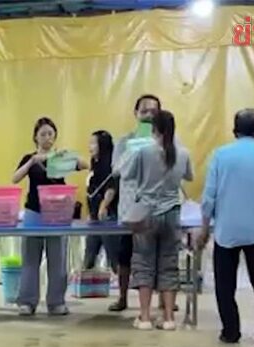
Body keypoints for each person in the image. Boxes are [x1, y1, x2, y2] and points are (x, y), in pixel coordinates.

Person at [197, 108, 254, 344]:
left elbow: (209, 196)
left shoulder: (221, 155)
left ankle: (231, 331)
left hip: (227, 230)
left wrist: (204, 228)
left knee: (225, 285)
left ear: (234, 129)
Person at [124, 109, 193, 331]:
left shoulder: (143, 151)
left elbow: (126, 174)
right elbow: (189, 176)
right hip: (172, 213)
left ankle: (144, 317)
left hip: (146, 214)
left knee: (144, 264)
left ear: (153, 128)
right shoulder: (183, 153)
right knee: (169, 264)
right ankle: (169, 319)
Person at [11, 117, 85, 316]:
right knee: (30, 258)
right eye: (42, 134)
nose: (47, 138)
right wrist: (31, 162)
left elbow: (84, 164)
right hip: (34, 212)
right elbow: (15, 178)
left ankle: (56, 302)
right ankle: (27, 301)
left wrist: (71, 157)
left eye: (50, 134)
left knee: (57, 259)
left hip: (57, 213)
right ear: (35, 137)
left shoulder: (60, 157)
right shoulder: (30, 157)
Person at [105, 94, 162, 312]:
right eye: (144, 111)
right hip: (130, 208)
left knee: (155, 256)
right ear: (136, 114)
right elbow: (117, 170)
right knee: (125, 255)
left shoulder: (167, 140)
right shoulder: (124, 141)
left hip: (157, 207)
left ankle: (159, 302)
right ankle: (122, 297)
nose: (149, 115)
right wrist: (136, 149)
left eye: (153, 111)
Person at [82, 131, 129, 306]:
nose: (90, 147)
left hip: (107, 216)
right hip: (94, 218)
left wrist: (103, 205)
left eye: (93, 143)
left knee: (114, 257)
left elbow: (111, 188)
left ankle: (122, 295)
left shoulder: (109, 165)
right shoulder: (94, 164)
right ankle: (85, 290)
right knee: (89, 255)